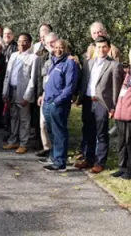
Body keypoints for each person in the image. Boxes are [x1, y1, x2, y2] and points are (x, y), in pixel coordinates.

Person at [75, 36, 123, 174]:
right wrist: (79, 98)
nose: (101, 49)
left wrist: (113, 107)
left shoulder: (114, 65)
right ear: (95, 48)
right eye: (98, 47)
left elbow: (116, 87)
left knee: (101, 133)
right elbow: (84, 82)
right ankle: (88, 159)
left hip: (102, 103)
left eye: (104, 47)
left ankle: (100, 162)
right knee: (87, 131)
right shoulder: (88, 63)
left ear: (108, 48)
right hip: (87, 102)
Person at [40, 39, 79, 172]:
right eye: (56, 47)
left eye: (61, 47)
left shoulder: (69, 63)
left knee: (59, 132)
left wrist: (57, 101)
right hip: (47, 102)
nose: (58, 49)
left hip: (58, 104)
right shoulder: (53, 62)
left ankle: (60, 162)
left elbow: (69, 88)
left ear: (66, 48)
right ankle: (53, 156)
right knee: (51, 131)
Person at [2, 33, 41, 154]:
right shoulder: (13, 55)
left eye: (24, 41)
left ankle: (24, 143)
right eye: (19, 41)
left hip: (23, 93)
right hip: (11, 90)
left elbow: (33, 79)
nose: (21, 44)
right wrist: (5, 92)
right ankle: (13, 140)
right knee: (14, 117)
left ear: (30, 43)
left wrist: (27, 96)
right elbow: (7, 75)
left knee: (24, 119)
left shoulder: (34, 58)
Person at [35, 31, 60, 157]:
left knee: (55, 125)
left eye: (53, 42)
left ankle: (57, 152)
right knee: (43, 124)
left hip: (57, 96)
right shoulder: (43, 58)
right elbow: (40, 77)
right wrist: (40, 94)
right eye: (48, 42)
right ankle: (47, 148)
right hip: (45, 94)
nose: (50, 44)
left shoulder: (64, 57)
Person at [113, 50, 131, 180]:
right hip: (122, 110)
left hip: (129, 112)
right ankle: (122, 166)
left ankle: (129, 169)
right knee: (122, 141)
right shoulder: (128, 72)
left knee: (129, 141)